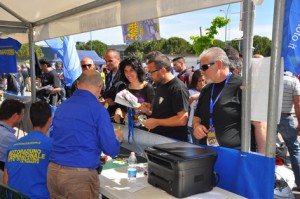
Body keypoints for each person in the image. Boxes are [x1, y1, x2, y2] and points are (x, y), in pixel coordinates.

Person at [47, 70, 123, 199]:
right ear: (100, 87)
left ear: (78, 84)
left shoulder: (62, 107)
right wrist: (117, 139)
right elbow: (111, 149)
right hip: (78, 176)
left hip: (54, 172)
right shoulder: (98, 110)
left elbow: (55, 136)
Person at [192, 47, 242, 148]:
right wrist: (196, 126)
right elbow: (197, 117)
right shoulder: (206, 89)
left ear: (219, 64)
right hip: (207, 151)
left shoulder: (242, 86)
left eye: (204, 67)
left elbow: (259, 125)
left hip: (234, 154)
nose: (201, 71)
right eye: (200, 68)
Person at [3, 101, 52, 199]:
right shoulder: (52, 146)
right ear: (50, 120)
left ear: (30, 120)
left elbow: (6, 181)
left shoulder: (13, 146)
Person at [142, 54, 189, 141]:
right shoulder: (160, 84)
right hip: (159, 139)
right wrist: (150, 108)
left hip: (172, 143)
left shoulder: (178, 88)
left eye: (151, 72)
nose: (150, 75)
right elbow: (164, 111)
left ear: (163, 70)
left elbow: (182, 119)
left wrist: (156, 122)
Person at [114, 56, 155, 129]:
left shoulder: (148, 87)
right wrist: (118, 112)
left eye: (131, 70)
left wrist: (145, 110)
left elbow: (153, 113)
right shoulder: (124, 88)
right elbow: (123, 109)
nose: (128, 74)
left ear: (137, 70)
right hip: (128, 129)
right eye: (125, 71)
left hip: (144, 130)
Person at [277, 71, 300, 190]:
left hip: (269, 118)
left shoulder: (273, 77)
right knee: (295, 150)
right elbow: (297, 104)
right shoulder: (294, 81)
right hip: (286, 118)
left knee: (268, 149)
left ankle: (271, 179)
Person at [0, 99, 25, 171]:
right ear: (15, 116)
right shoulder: (8, 137)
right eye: (22, 115)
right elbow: (24, 158)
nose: (22, 119)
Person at [101, 49, 126, 117]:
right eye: (106, 61)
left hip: (121, 114)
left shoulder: (125, 74)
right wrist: (103, 99)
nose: (107, 63)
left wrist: (115, 102)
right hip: (110, 113)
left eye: (110, 61)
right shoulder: (108, 74)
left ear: (118, 59)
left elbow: (130, 95)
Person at [187, 70, 206, 143]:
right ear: (195, 81)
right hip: (193, 123)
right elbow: (185, 104)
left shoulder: (207, 90)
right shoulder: (190, 92)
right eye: (199, 81)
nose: (202, 83)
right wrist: (192, 98)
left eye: (203, 80)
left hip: (205, 123)